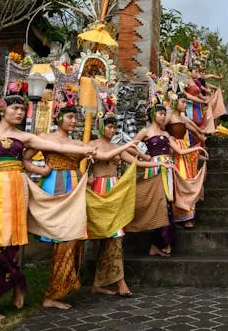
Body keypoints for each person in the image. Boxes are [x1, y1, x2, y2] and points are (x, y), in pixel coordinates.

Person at [0, 95, 99, 324]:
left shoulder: (25, 137)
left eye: (22, 110)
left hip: (16, 193)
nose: (19, 113)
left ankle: (14, 285)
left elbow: (56, 146)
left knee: (12, 245)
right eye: (15, 108)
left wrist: (87, 150)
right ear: (2, 109)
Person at [21, 105, 137, 309]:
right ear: (58, 117)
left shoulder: (76, 143)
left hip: (75, 187)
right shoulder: (45, 138)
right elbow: (24, 159)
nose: (74, 121)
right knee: (62, 237)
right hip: (54, 187)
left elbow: (99, 158)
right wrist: (41, 170)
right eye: (70, 117)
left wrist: (128, 146)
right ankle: (51, 294)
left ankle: (59, 289)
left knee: (74, 236)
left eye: (76, 117)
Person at [87, 114, 172, 296]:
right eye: (109, 126)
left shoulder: (117, 147)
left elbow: (136, 162)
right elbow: (96, 160)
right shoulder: (91, 145)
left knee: (115, 236)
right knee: (107, 238)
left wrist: (159, 163)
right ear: (100, 126)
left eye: (114, 127)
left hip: (115, 191)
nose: (112, 130)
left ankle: (112, 283)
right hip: (99, 192)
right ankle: (107, 283)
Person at [128, 104, 207, 256]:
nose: (163, 116)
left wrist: (198, 149)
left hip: (168, 169)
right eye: (160, 113)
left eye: (164, 113)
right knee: (159, 203)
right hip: (154, 169)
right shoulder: (146, 131)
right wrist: (146, 157)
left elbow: (180, 151)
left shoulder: (165, 133)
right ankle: (160, 243)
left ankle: (161, 243)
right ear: (152, 114)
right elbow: (130, 146)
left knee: (167, 203)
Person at [166, 96, 206, 228]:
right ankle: (178, 216)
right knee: (178, 180)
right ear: (174, 101)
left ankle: (187, 215)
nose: (185, 105)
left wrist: (201, 135)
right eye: (183, 102)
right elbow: (158, 128)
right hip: (173, 150)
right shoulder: (169, 116)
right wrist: (167, 136)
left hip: (184, 151)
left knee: (187, 179)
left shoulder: (182, 118)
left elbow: (193, 128)